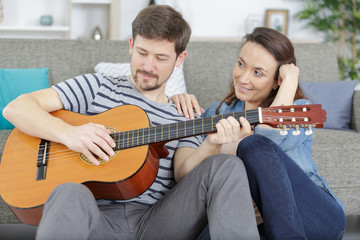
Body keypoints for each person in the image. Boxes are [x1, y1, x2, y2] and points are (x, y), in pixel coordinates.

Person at [3, 5, 260, 240]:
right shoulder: (97, 86)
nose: (148, 66)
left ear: (179, 59)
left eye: (160, 58)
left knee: (226, 164)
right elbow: (16, 108)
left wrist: (213, 143)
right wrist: (70, 134)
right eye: (142, 52)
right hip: (96, 219)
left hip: (159, 222)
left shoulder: (185, 114)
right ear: (130, 44)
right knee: (68, 191)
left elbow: (184, 174)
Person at [173, 27, 346, 239]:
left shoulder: (300, 110)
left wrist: (290, 80)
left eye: (258, 72)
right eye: (241, 64)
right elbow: (185, 176)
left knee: (253, 145)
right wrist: (173, 102)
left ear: (277, 82)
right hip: (255, 221)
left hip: (316, 216)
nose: (243, 78)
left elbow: (266, 139)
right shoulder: (217, 113)